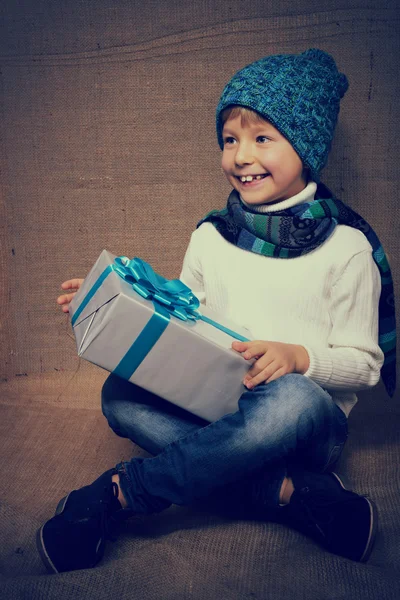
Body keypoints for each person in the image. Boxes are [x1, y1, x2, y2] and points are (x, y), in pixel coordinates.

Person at [37, 49, 396, 574]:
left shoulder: (347, 250)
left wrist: (298, 358)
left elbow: (366, 365)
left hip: (303, 424)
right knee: (118, 395)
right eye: (230, 139)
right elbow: (187, 321)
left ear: (307, 146)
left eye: (262, 138)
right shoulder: (211, 235)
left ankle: (125, 492)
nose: (241, 156)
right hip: (224, 407)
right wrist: (116, 301)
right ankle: (287, 492)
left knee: (289, 398)